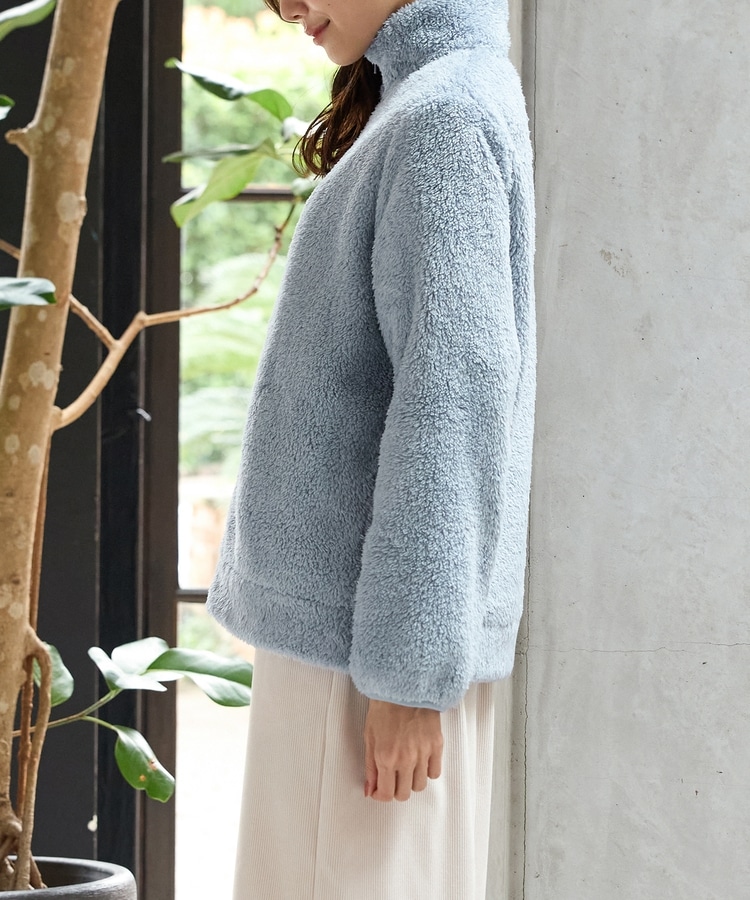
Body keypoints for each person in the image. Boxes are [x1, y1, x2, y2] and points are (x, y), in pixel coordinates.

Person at [206, 0, 535, 896]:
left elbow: (452, 400)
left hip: (366, 655)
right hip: (365, 641)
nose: (287, 8)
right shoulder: (436, 97)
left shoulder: (442, 116)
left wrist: (407, 677)